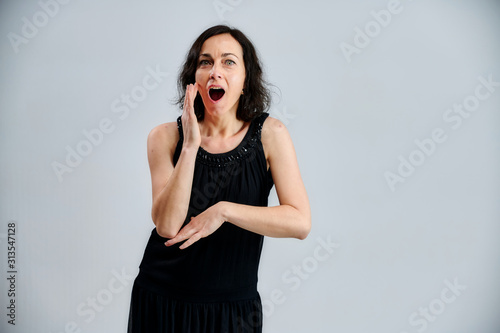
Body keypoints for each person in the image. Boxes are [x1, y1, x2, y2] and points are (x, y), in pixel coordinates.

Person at [127, 25, 311, 333]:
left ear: (244, 81)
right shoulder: (164, 138)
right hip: (162, 299)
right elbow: (168, 225)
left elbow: (299, 222)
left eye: (228, 61)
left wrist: (224, 211)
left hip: (233, 309)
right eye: (205, 62)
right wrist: (190, 145)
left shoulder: (271, 135)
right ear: (194, 80)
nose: (215, 71)